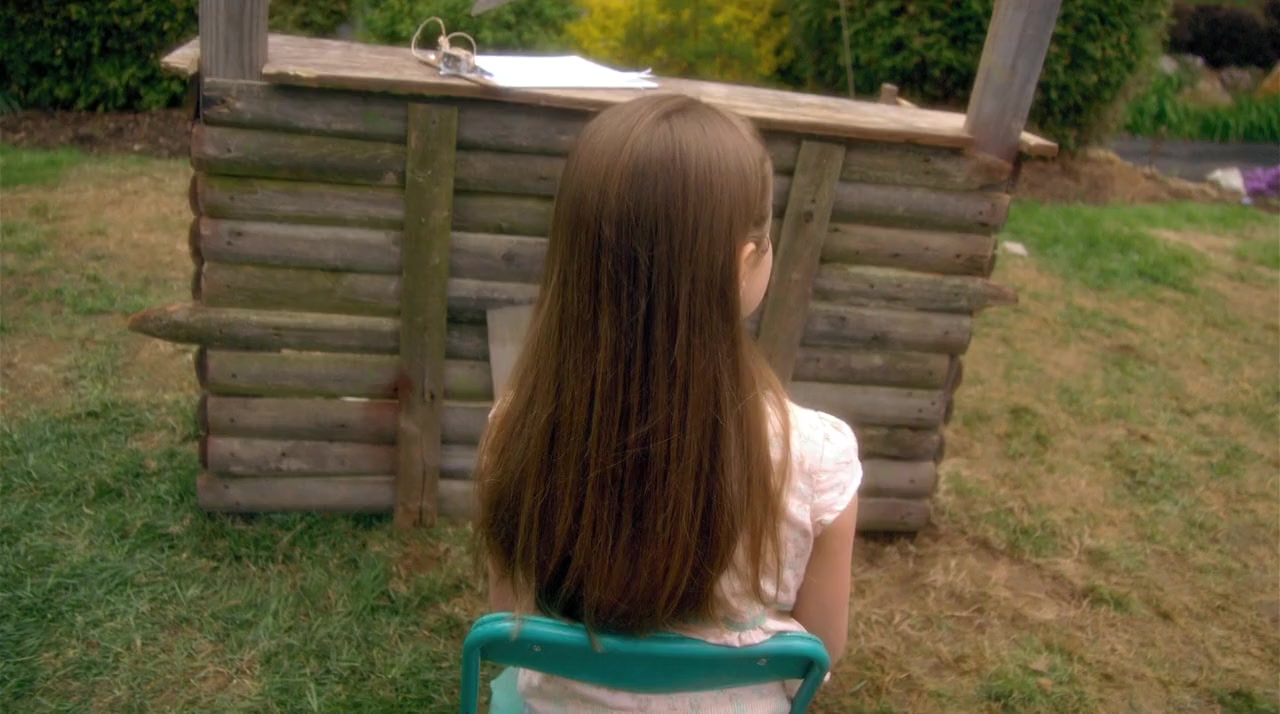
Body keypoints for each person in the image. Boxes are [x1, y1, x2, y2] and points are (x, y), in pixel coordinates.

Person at [476, 93, 862, 713]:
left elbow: (510, 619)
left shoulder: (515, 430)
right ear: (744, 263)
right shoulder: (819, 458)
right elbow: (821, 651)